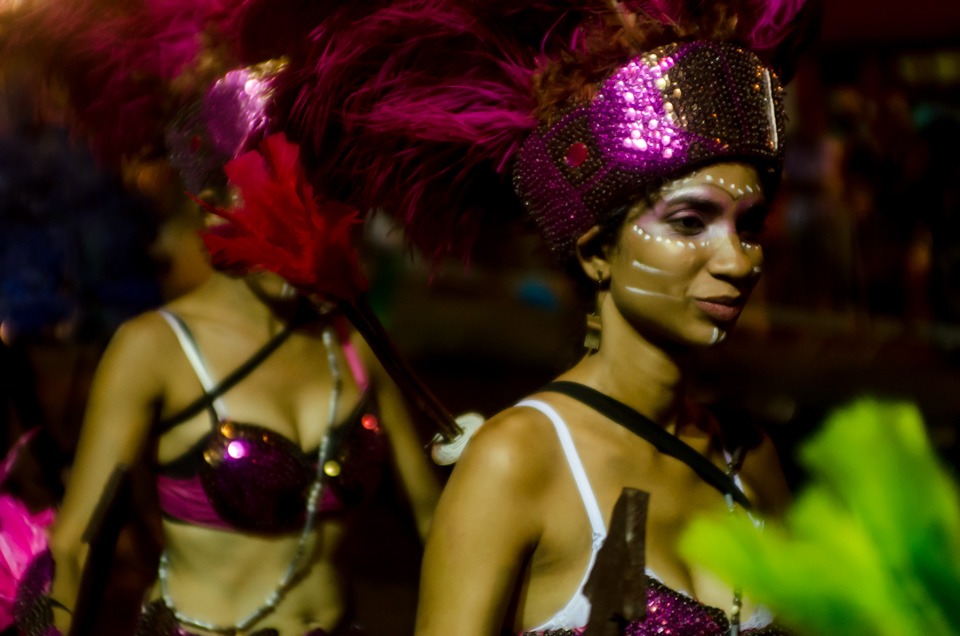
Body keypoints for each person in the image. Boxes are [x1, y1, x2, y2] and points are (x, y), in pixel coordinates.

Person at [235, 1, 814, 634]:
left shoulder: (750, 458)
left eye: (750, 226)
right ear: (598, 254)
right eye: (689, 221)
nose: (736, 260)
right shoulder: (517, 462)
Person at [0, 2, 443, 634]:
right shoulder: (155, 348)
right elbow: (78, 544)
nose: (302, 223)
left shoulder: (353, 338)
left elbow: (432, 519)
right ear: (212, 209)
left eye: (317, 196)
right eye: (274, 197)